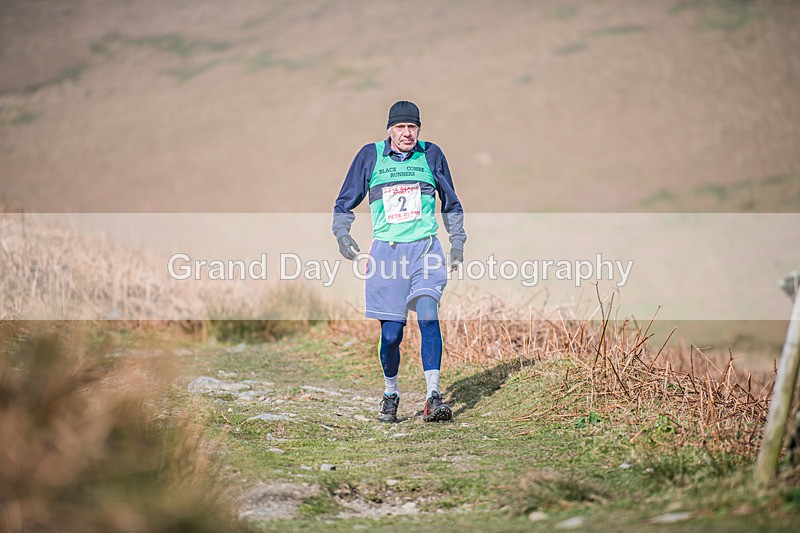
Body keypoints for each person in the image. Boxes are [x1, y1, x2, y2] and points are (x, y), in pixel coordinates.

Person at [332, 100, 466, 423]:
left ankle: (433, 397)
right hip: (387, 256)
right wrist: (342, 232)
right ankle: (390, 393)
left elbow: (451, 202)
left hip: (424, 250)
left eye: (412, 127)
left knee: (428, 316)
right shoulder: (370, 156)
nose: (407, 133)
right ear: (389, 129)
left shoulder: (431, 155)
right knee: (391, 335)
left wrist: (457, 241)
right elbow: (345, 200)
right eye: (401, 127)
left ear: (419, 129)